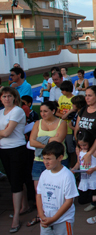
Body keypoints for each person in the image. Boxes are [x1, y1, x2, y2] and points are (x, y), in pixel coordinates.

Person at [29, 101, 69, 228]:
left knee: (59, 190)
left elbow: (59, 140)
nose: (42, 114)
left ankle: (58, 214)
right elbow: (31, 142)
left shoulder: (62, 123)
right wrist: (48, 142)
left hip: (59, 161)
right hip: (39, 161)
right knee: (39, 191)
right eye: (41, 111)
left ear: (53, 111)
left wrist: (40, 141)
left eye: (45, 111)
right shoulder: (37, 123)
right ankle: (41, 214)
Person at [74, 85, 96, 214]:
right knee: (87, 174)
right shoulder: (83, 110)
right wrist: (78, 147)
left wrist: (90, 153)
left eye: (90, 95)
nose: (87, 98)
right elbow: (77, 130)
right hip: (83, 148)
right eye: (86, 95)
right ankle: (95, 201)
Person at [0, 87, 30, 233]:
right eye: (4, 96)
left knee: (16, 184)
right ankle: (24, 206)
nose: (6, 99)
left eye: (9, 96)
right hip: (4, 150)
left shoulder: (17, 111)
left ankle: (16, 217)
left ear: (14, 98)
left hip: (16, 150)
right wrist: (4, 132)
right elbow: (4, 132)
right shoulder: (1, 113)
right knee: (15, 180)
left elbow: (7, 132)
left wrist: (4, 132)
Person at [36, 142, 79, 235]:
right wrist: (41, 215)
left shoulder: (67, 176)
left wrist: (53, 219)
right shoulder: (44, 174)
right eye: (44, 158)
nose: (45, 162)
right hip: (45, 220)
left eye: (49, 159)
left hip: (63, 221)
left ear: (60, 158)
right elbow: (39, 195)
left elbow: (69, 201)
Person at [72, 130, 96, 224]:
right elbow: (78, 163)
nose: (82, 147)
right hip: (85, 179)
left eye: (84, 145)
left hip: (95, 178)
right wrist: (74, 169)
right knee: (82, 199)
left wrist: (93, 169)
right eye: (80, 145)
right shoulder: (80, 151)